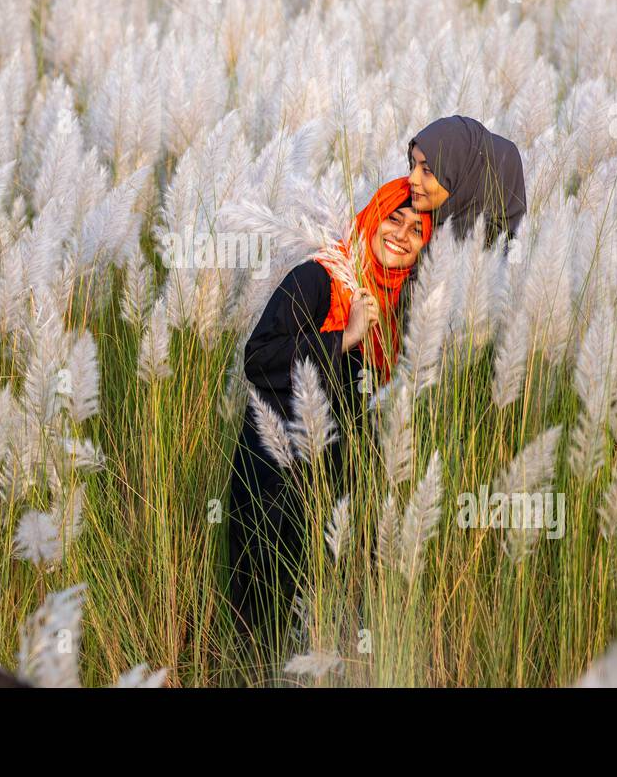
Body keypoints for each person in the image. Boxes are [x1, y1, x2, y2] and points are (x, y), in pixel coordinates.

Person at [226, 178, 433, 643]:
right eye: (393, 219)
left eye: (416, 229)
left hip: (335, 491)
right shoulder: (320, 277)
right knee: (262, 626)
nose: (400, 234)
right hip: (274, 484)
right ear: (372, 219)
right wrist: (345, 337)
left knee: (314, 625)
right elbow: (259, 358)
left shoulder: (402, 307)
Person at [407, 115, 527, 247]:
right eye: (412, 166)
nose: (411, 179)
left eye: (427, 170)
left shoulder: (493, 259)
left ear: (469, 180)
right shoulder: (405, 227)